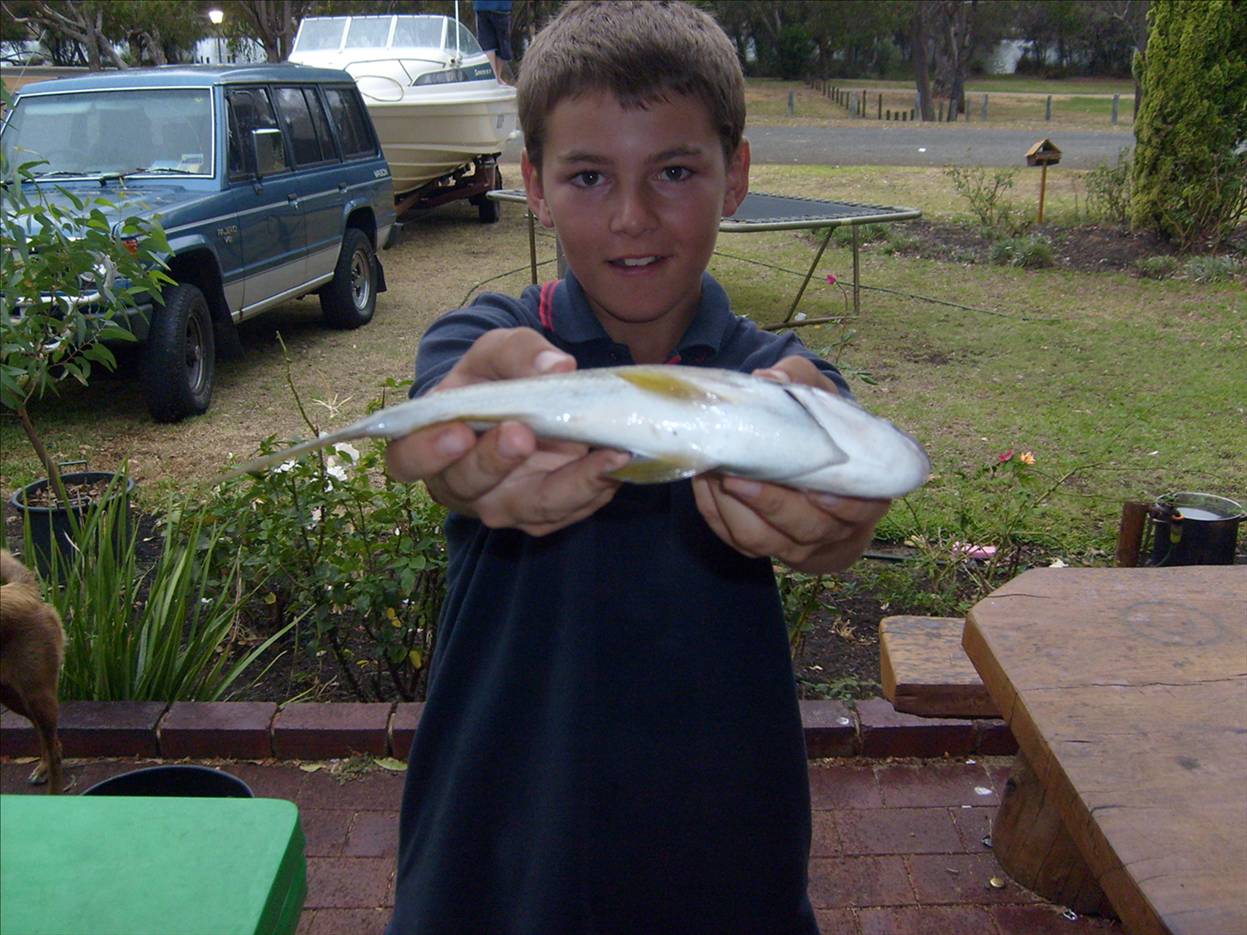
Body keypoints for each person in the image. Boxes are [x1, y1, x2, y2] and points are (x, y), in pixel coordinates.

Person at [384, 3, 890, 932]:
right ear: (532, 183)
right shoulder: (492, 338)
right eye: (587, 175)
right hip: (494, 841)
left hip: (723, 853)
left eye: (673, 170)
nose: (631, 216)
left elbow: (831, 435)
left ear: (733, 175)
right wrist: (465, 437)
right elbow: (455, 393)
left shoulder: (767, 379)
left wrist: (837, 491)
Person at [473, 0, 513, 84]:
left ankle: (494, 77)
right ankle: (496, 77)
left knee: (487, 43)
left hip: (482, 6)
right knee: (502, 43)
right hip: (501, 7)